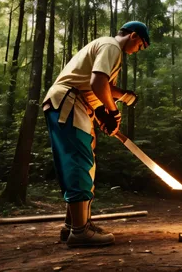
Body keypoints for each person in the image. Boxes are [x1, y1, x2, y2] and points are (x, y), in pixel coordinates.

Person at [42, 21, 150, 248]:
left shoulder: (105, 48)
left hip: (74, 104)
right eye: (140, 45)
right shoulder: (111, 46)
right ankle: (80, 232)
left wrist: (102, 112)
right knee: (80, 161)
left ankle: (74, 225)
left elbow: (99, 87)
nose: (137, 50)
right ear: (133, 36)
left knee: (80, 162)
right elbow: (98, 81)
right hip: (70, 103)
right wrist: (112, 111)